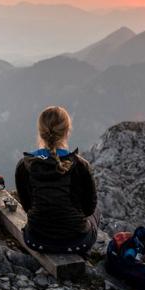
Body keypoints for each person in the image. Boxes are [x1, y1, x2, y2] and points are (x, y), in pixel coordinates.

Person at [15, 106, 98, 255]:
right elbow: (89, 209)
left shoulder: (25, 165)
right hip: (77, 241)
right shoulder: (80, 165)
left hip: (36, 239)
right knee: (95, 213)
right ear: (67, 131)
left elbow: (27, 206)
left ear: (40, 132)